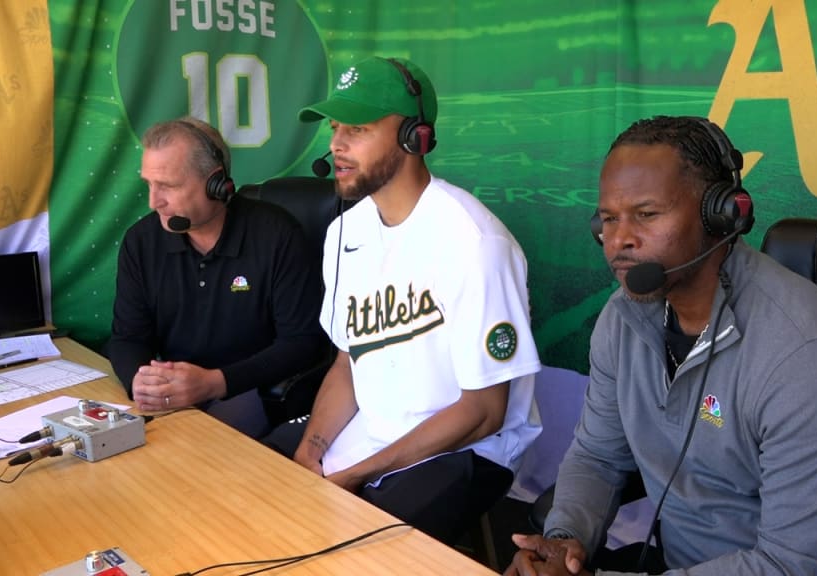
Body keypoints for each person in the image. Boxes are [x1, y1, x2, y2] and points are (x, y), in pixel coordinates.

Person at [505, 116, 817, 575]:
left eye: (646, 214)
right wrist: (565, 543)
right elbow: (597, 455)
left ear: (721, 215)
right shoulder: (623, 320)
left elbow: (792, 566)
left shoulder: (816, 361)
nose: (619, 239)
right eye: (608, 219)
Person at [262, 56, 542, 545]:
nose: (336, 145)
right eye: (335, 128)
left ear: (416, 137)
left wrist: (356, 475)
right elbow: (350, 361)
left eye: (358, 128)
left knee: (349, 542)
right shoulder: (345, 231)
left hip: (467, 447)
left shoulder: (476, 243)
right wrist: (310, 452)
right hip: (375, 427)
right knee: (259, 481)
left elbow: (483, 411)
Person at [109, 117, 326, 436]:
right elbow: (128, 337)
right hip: (176, 395)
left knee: (189, 456)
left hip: (251, 390)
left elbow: (303, 342)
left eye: (168, 186)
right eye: (149, 185)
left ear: (216, 183)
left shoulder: (276, 235)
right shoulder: (141, 241)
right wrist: (140, 380)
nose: (154, 202)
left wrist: (214, 383)